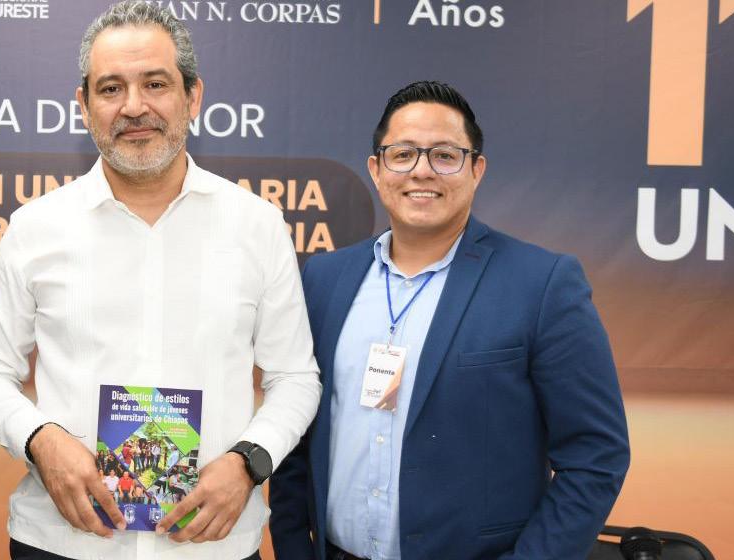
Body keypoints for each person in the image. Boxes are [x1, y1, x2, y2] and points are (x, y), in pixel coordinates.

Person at [0, 2, 320, 559]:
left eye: (155, 84)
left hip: (212, 545)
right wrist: (40, 442)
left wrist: (249, 462)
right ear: (84, 106)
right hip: (64, 542)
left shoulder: (257, 226)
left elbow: (295, 377)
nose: (134, 107)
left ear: (192, 97)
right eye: (111, 89)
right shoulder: (35, 228)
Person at [268, 81, 630, 559]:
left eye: (444, 155)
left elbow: (596, 456)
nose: (422, 170)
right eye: (403, 155)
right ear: (376, 170)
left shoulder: (542, 284)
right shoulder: (325, 278)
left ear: (476, 170)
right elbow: (298, 429)